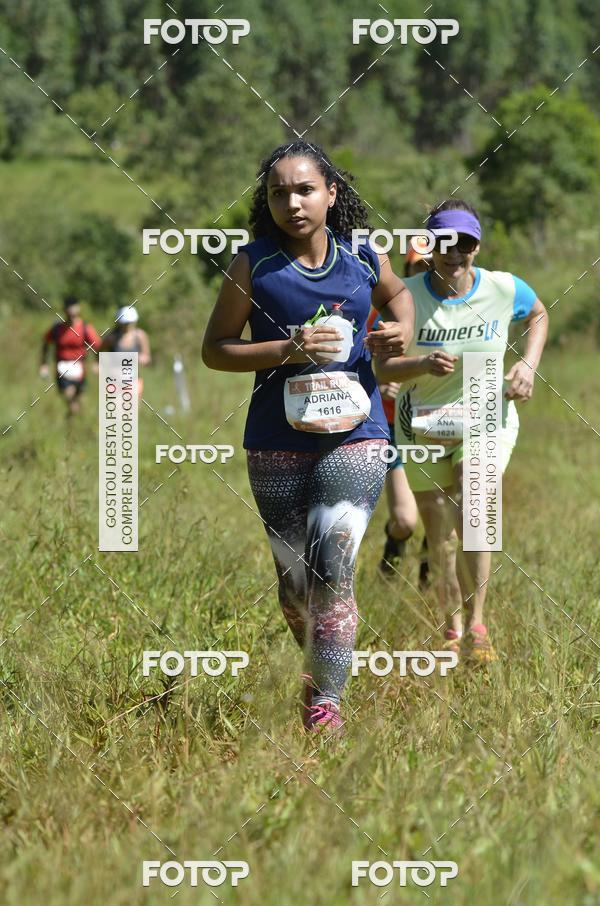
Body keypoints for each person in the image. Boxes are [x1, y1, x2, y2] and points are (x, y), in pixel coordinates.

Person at [202, 140, 414, 732]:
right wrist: (287, 350)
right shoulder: (253, 265)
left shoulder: (365, 254)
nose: (292, 202)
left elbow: (397, 297)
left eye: (304, 189)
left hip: (358, 435)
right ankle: (320, 663)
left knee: (332, 567)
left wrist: (397, 334)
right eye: (278, 193)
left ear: (331, 193)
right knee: (296, 591)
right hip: (276, 439)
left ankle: (326, 709)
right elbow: (214, 351)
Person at [376, 200, 548, 664]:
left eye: (465, 243)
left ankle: (478, 625)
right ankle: (450, 627)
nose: (455, 253)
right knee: (440, 532)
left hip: (485, 408)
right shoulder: (402, 296)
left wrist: (527, 365)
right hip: (422, 415)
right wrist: (412, 366)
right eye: (443, 243)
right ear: (427, 245)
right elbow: (379, 362)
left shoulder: (503, 287)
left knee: (476, 508)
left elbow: (538, 314)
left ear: (478, 244)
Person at [369, 245, 431, 584]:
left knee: (446, 519)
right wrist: (381, 385)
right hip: (396, 426)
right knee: (405, 520)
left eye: (429, 265)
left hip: (443, 425)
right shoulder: (385, 311)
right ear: (406, 270)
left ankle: (430, 582)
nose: (424, 272)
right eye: (416, 266)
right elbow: (364, 367)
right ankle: (393, 549)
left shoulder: (461, 311)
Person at [40, 295, 101, 417]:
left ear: (79, 308)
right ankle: (75, 421)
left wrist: (96, 363)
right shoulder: (57, 329)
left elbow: (98, 346)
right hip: (62, 369)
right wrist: (44, 364)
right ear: (64, 309)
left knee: (79, 402)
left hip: (80, 370)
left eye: (74, 308)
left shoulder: (85, 328)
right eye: (69, 308)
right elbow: (46, 344)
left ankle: (74, 426)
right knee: (70, 397)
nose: (72, 311)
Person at [102, 306, 151, 396]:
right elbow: (100, 352)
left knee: (132, 407)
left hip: (134, 380)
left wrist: (140, 359)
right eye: (125, 323)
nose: (127, 326)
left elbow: (147, 357)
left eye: (129, 323)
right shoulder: (111, 338)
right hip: (115, 380)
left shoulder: (140, 336)